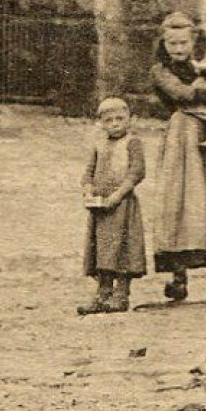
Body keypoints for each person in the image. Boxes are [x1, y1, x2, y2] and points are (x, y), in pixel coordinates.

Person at [150, 11, 206, 302]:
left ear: (194, 42)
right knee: (184, 200)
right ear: (163, 44)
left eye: (183, 43)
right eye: (171, 44)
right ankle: (179, 279)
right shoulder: (161, 71)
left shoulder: (205, 64)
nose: (178, 49)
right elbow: (182, 93)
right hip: (184, 135)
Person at [77, 97, 148, 315]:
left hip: (122, 205)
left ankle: (121, 294)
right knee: (103, 248)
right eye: (109, 120)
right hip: (101, 208)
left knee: (123, 248)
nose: (115, 124)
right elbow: (89, 171)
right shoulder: (99, 144)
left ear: (130, 119)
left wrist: (118, 194)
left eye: (120, 118)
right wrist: (88, 189)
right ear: (100, 123)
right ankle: (103, 293)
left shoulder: (133, 143)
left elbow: (137, 172)